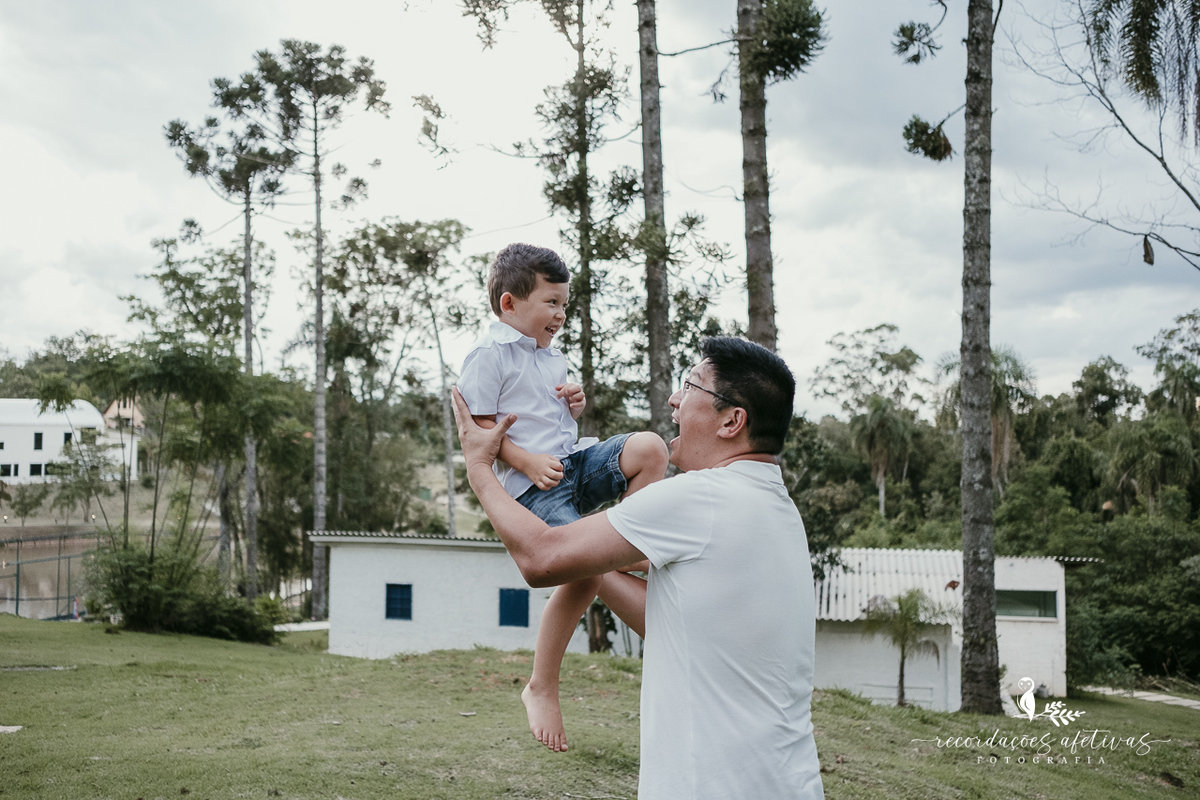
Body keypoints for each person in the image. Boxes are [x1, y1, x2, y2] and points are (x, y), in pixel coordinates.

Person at [452, 336, 824, 800]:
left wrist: (479, 465)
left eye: (690, 386)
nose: (674, 398)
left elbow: (541, 559)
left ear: (732, 420)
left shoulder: (702, 497)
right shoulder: (777, 510)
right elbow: (674, 622)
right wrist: (595, 562)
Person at [457, 243, 669, 753]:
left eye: (565, 305)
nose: (561, 314)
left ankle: (631, 540)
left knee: (649, 448)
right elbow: (482, 431)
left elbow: (553, 420)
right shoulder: (487, 356)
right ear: (510, 304)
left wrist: (573, 404)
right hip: (533, 486)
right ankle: (542, 684)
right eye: (551, 303)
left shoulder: (551, 355)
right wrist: (526, 461)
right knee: (586, 567)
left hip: (571, 461)